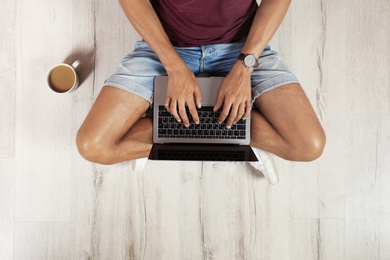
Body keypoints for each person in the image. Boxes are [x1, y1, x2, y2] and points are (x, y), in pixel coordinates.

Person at [76, 0, 326, 177]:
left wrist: (244, 67)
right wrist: (173, 66)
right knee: (94, 146)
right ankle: (237, 140)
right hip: (164, 48)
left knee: (307, 145)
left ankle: (170, 131)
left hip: (242, 48)